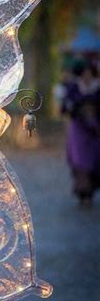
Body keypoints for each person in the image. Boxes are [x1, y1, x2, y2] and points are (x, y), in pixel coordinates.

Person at [61, 60, 100, 207]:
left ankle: (90, 191)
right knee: (79, 161)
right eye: (84, 73)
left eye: (89, 73)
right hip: (78, 130)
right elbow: (65, 107)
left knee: (94, 160)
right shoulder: (73, 87)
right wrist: (76, 107)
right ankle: (82, 192)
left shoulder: (97, 89)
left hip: (94, 130)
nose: (87, 76)